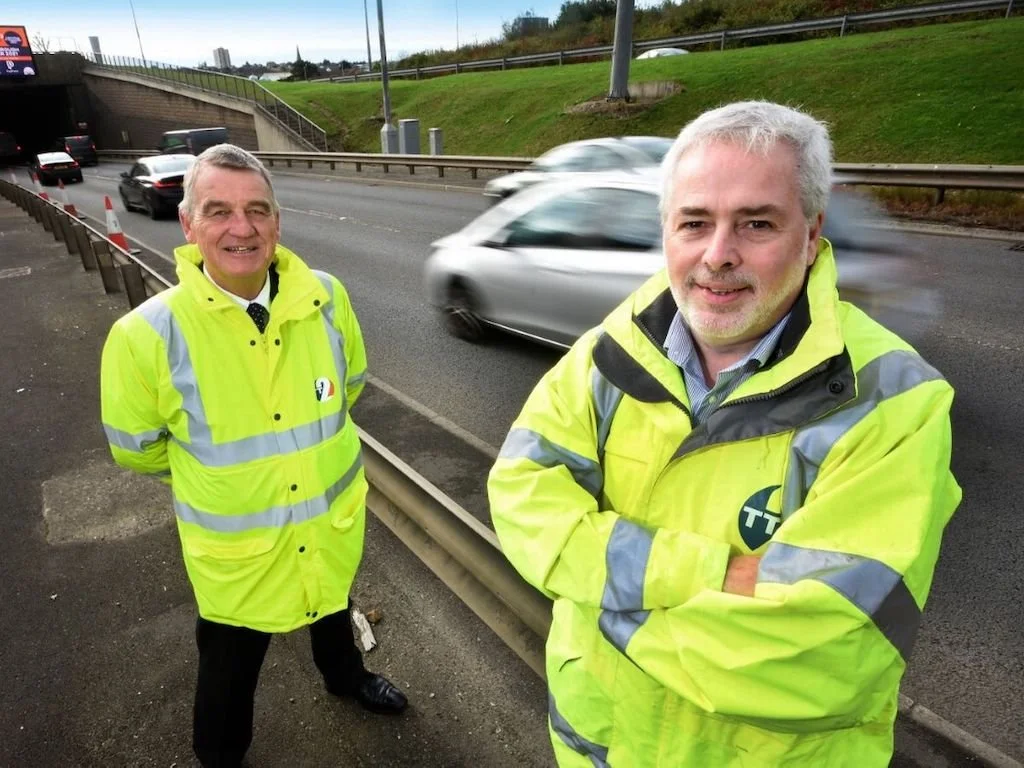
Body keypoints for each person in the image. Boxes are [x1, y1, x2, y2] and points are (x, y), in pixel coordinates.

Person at [487, 101, 960, 767]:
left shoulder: (894, 403)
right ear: (666, 232)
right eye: (694, 223)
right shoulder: (610, 352)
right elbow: (518, 494)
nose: (717, 256)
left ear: (812, 233)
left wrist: (599, 598)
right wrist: (712, 573)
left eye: (756, 224)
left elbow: (817, 662)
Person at [100, 144, 407, 768]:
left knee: (332, 610)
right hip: (239, 554)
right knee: (229, 662)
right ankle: (220, 753)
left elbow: (349, 387)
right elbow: (138, 450)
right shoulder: (144, 335)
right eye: (218, 212)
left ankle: (346, 680)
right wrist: (221, 478)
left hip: (327, 523)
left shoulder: (327, 297)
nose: (241, 229)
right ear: (188, 225)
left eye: (257, 210)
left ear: (277, 221)